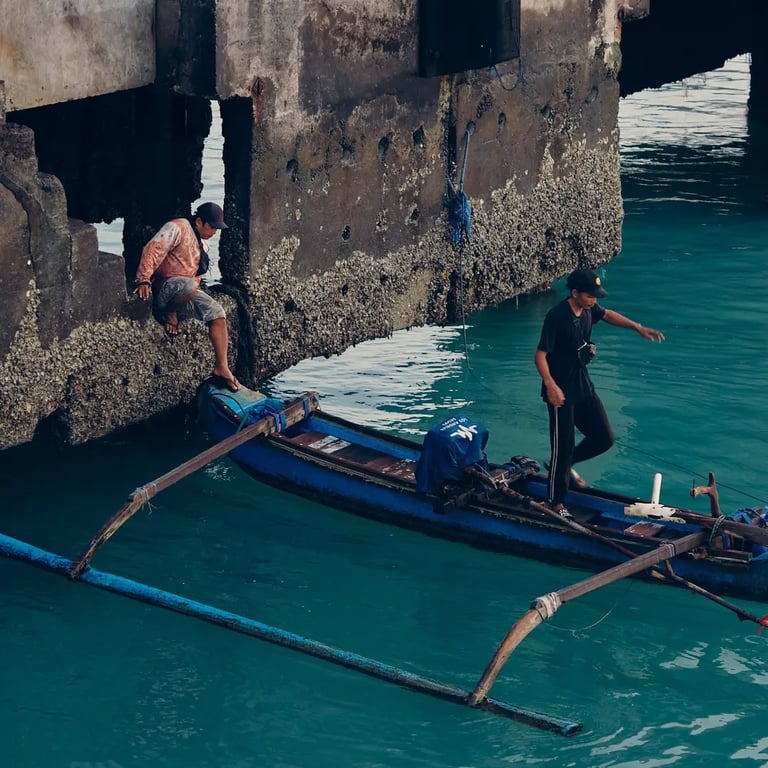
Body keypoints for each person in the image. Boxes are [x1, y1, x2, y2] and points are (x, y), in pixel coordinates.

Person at [534, 268, 664, 516]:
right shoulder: (557, 317)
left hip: (583, 386)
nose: (595, 300)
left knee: (604, 437)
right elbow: (540, 355)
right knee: (562, 446)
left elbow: (608, 315)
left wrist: (637, 327)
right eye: (590, 295)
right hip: (560, 393)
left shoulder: (588, 310)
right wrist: (550, 385)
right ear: (575, 293)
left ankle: (564, 466)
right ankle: (555, 501)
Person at [133, 202, 239, 391]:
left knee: (218, 313)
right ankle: (170, 312)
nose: (215, 231)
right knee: (188, 284)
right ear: (199, 221)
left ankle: (221, 367)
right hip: (163, 291)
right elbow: (153, 249)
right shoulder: (178, 227)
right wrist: (143, 280)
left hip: (184, 292)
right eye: (212, 226)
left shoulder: (203, 243)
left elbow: (196, 274)